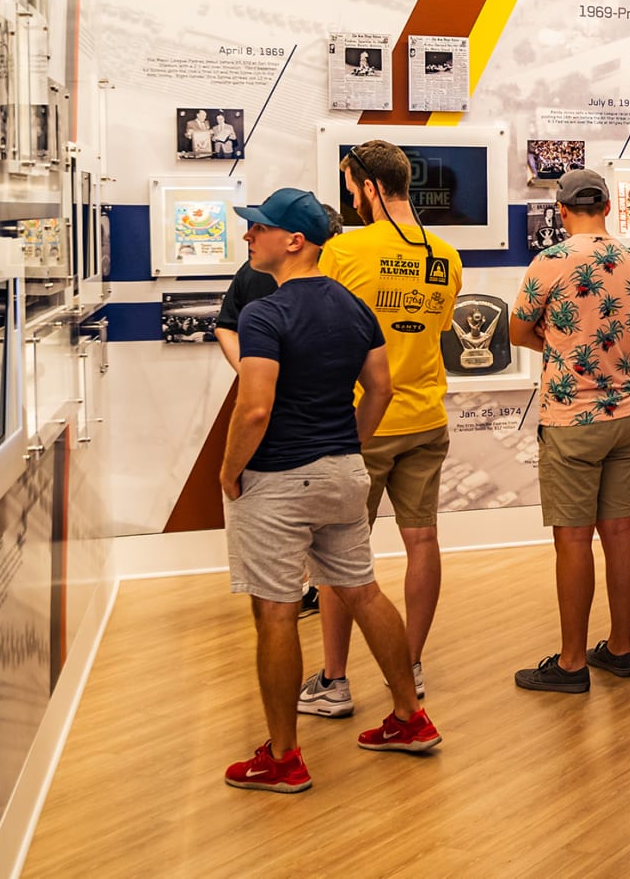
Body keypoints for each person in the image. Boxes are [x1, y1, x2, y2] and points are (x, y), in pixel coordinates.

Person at [217, 188, 439, 792]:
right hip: (344, 472)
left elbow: (255, 407)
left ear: (294, 240)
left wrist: (228, 470)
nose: (247, 236)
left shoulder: (265, 314)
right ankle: (408, 719)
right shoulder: (352, 306)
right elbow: (382, 389)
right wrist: (350, 446)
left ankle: (283, 758)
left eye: (257, 227)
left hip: (280, 479)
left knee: (276, 611)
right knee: (364, 592)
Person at [297, 140, 462, 719]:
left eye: (351, 189)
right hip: (426, 416)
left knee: (341, 552)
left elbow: (320, 327)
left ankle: (335, 681)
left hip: (360, 422)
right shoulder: (446, 255)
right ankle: (408, 665)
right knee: (422, 540)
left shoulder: (344, 251)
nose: (351, 200)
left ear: (369, 187)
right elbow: (434, 327)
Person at [509, 169, 630, 691]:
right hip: (625, 415)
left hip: (572, 419)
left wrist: (558, 348)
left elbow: (517, 328)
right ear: (609, 208)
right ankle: (619, 648)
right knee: (619, 530)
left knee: (572, 540)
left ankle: (571, 663)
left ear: (562, 211)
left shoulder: (549, 262)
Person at [215, 205, 343, 618]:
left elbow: (224, 325)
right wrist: (253, 370)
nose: (250, 237)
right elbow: (226, 323)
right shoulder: (260, 276)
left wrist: (253, 372)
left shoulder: (329, 286)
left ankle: (311, 594)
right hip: (301, 426)